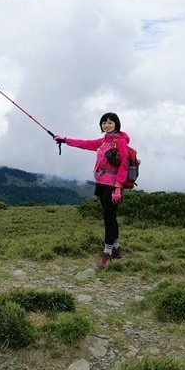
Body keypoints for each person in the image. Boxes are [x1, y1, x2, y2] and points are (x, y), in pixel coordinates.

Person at [54, 112, 129, 270]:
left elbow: (123, 166)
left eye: (110, 122)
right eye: (104, 123)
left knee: (109, 219)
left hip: (112, 186)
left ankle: (107, 252)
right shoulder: (103, 141)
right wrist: (65, 140)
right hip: (101, 183)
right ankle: (115, 248)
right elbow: (85, 143)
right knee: (110, 217)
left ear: (116, 124)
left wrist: (118, 187)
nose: (106, 125)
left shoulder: (120, 142)